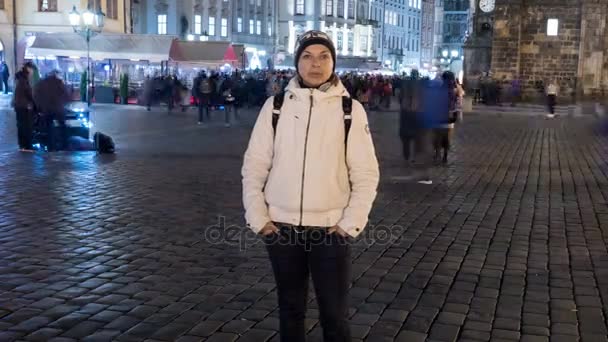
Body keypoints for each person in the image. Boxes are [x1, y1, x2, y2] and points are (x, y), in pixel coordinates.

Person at [242, 30, 380, 342]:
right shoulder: (275, 107)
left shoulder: (350, 110)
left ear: (333, 62)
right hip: (282, 229)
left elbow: (366, 174)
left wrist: (349, 224)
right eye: (307, 56)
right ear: (297, 62)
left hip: (331, 230)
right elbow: (254, 166)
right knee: (290, 310)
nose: (315, 64)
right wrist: (259, 218)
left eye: (323, 56)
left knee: (334, 316)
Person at [33, 70, 70, 151]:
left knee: (49, 128)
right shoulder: (58, 82)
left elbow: (35, 95)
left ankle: (51, 146)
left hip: (46, 109)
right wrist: (63, 103)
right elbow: (66, 94)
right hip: (58, 109)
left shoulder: (41, 83)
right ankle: (64, 145)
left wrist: (40, 106)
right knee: (62, 126)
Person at [13, 63, 35, 151]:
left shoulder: (20, 78)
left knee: (21, 126)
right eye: (32, 70)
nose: (33, 72)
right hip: (23, 106)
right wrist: (34, 103)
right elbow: (28, 93)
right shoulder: (23, 80)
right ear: (28, 69)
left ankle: (22, 145)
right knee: (26, 126)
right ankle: (27, 146)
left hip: (19, 105)